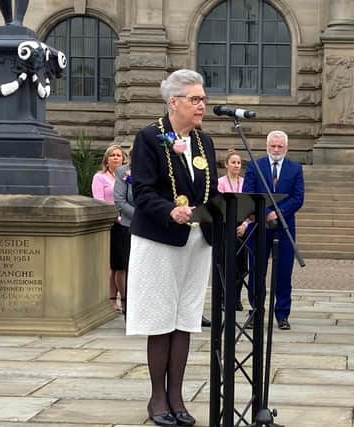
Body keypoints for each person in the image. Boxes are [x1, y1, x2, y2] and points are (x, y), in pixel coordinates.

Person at [126, 69, 218, 426]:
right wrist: (170, 210)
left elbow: (209, 192)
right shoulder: (149, 137)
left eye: (203, 99)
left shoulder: (203, 141)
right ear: (173, 102)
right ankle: (157, 398)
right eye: (195, 99)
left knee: (185, 320)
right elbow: (143, 191)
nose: (202, 105)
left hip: (196, 242)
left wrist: (233, 216)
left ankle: (177, 396)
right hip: (159, 240)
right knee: (161, 320)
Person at [243, 130, 305, 330]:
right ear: (267, 146)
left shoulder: (295, 169)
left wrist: (277, 213)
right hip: (259, 226)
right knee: (256, 270)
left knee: (283, 273)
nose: (276, 150)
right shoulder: (255, 166)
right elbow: (248, 193)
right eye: (273, 146)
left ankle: (282, 314)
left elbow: (298, 198)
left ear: (286, 148)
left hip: (284, 227)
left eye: (280, 146)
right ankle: (255, 311)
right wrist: (266, 212)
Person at [92, 144, 127, 314]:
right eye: (112, 155)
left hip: (126, 223)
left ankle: (115, 299)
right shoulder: (100, 177)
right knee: (116, 265)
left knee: (119, 265)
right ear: (106, 159)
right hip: (111, 224)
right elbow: (98, 201)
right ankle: (117, 299)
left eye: (118, 155)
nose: (115, 158)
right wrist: (115, 216)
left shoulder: (126, 177)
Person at [217, 148, 247, 311]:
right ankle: (224, 297)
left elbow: (249, 207)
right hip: (225, 226)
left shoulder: (245, 182)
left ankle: (236, 297)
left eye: (238, 163)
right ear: (226, 165)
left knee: (242, 266)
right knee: (225, 263)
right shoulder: (221, 183)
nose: (236, 165)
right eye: (233, 162)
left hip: (241, 225)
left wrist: (244, 225)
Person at [113, 147, 135, 316]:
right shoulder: (123, 171)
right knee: (128, 268)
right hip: (129, 225)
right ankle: (128, 307)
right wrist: (140, 216)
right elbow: (119, 200)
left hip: (153, 226)